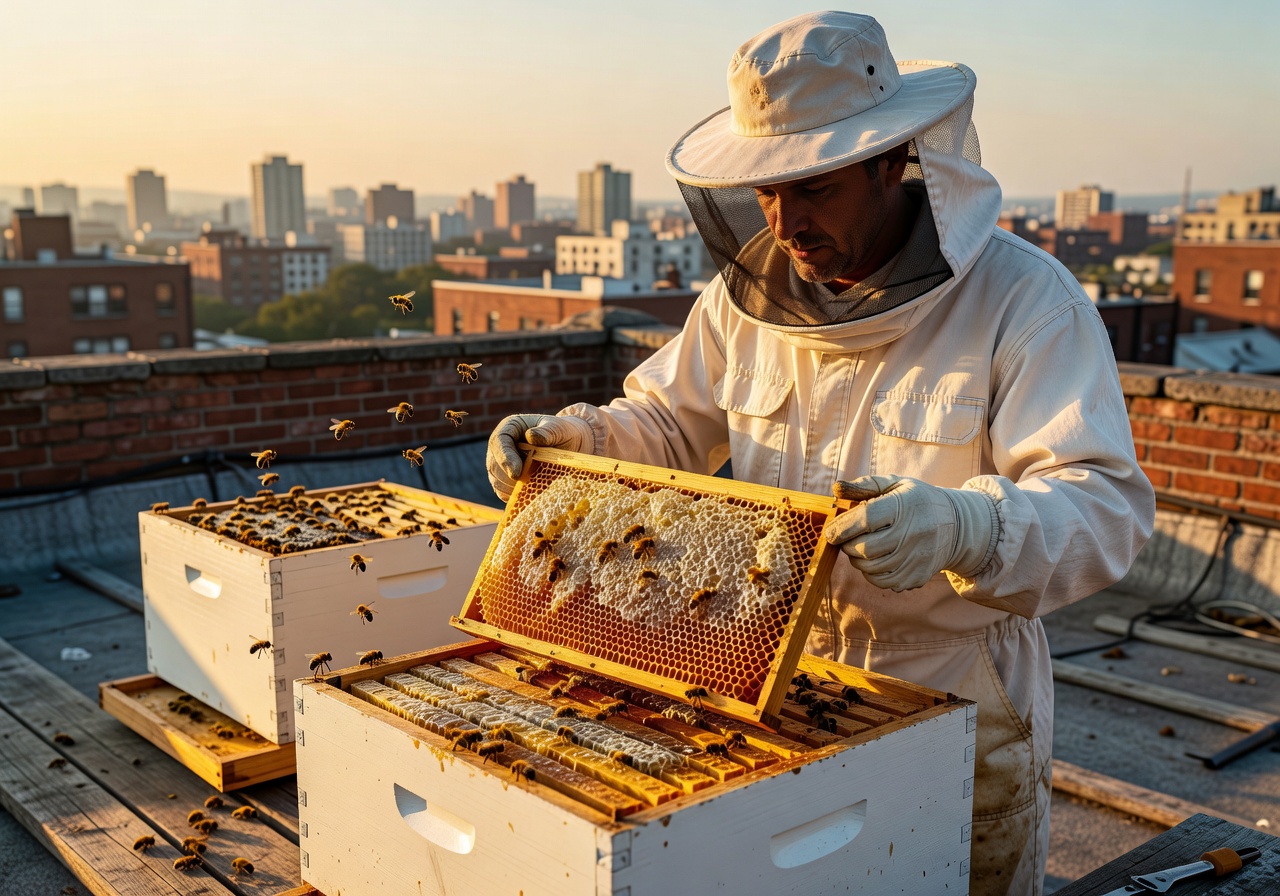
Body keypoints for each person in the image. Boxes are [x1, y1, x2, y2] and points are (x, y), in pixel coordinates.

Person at [487, 11, 1154, 895]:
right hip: (774, 689)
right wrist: (579, 442)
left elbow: (1102, 507)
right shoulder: (745, 299)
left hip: (956, 694)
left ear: (891, 162)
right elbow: (670, 425)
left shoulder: (1026, 301)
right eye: (766, 191)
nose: (784, 221)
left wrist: (968, 527)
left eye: (814, 187)